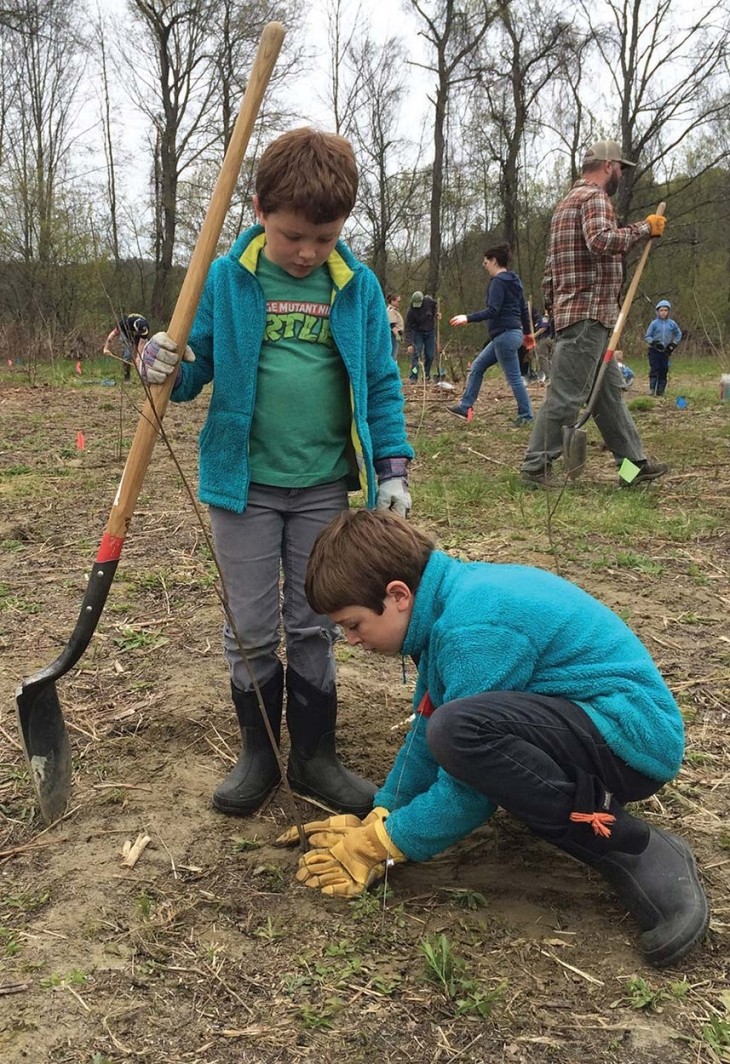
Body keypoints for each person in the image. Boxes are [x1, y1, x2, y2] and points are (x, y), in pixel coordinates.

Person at [281, 508, 709, 970]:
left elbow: (469, 780)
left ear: (398, 595)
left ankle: (633, 847)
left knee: (463, 733)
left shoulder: (472, 629)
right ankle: (588, 815)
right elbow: (427, 726)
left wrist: (381, 845)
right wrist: (384, 812)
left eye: (354, 624)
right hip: (588, 723)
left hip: (631, 742)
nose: (350, 640)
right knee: (456, 729)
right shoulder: (442, 604)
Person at [137, 127, 414, 820]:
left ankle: (315, 758)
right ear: (260, 210)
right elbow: (193, 371)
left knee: (316, 620)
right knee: (252, 626)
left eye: (324, 237)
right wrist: (163, 362)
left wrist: (392, 468)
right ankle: (258, 754)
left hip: (323, 486)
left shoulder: (355, 286)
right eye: (293, 235)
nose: (308, 251)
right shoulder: (227, 279)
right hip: (244, 488)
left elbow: (381, 382)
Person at [520, 140, 669, 488]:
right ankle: (535, 468)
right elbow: (601, 241)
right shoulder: (594, 198)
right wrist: (644, 229)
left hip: (584, 317)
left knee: (608, 398)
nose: (621, 175)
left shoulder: (565, 204)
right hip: (587, 317)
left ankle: (632, 469)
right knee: (566, 397)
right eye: (620, 169)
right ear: (607, 166)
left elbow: (549, 272)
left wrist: (556, 310)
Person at [447, 243, 535, 426]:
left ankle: (526, 416)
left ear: (494, 261)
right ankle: (465, 406)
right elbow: (523, 310)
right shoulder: (515, 281)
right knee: (477, 367)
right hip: (512, 334)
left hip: (504, 336)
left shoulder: (498, 282)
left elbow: (493, 311)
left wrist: (467, 318)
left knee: (514, 378)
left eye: (485, 263)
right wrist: (527, 333)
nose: (485, 266)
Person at [645, 299, 682, 396]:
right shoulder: (654, 323)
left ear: (668, 312)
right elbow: (647, 336)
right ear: (657, 311)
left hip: (665, 351)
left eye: (665, 310)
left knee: (664, 369)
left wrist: (673, 344)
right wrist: (653, 343)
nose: (663, 312)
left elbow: (678, 334)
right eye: (661, 310)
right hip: (654, 350)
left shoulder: (672, 323)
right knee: (654, 368)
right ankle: (652, 388)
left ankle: (661, 390)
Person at [404, 291, 438, 382]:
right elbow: (408, 328)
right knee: (416, 355)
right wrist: (409, 343)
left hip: (430, 332)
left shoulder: (429, 301)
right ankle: (414, 376)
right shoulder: (411, 311)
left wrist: (436, 313)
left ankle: (426, 375)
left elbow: (435, 306)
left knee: (430, 355)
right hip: (418, 333)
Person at [105, 314, 150, 381]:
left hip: (139, 337)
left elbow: (142, 343)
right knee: (127, 355)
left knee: (146, 353)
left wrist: (138, 357)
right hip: (126, 336)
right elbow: (112, 334)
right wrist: (106, 348)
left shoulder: (145, 327)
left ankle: (146, 377)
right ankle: (127, 377)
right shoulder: (124, 324)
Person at [386, 293, 404, 361]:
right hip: (393, 335)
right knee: (393, 355)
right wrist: (397, 335)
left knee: (393, 355)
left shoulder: (393, 310)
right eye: (398, 301)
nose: (399, 303)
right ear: (392, 301)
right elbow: (392, 325)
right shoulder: (391, 311)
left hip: (394, 334)